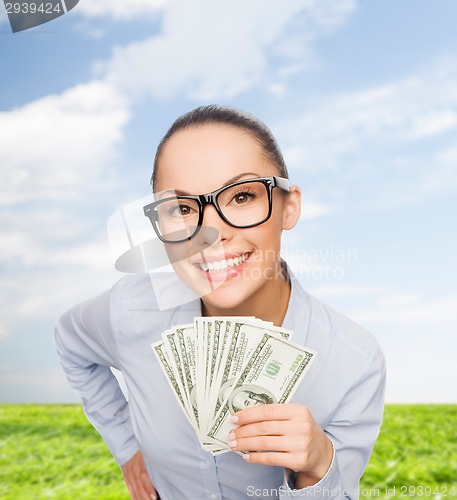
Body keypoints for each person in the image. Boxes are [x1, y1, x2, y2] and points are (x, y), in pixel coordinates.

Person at [54, 105, 386, 500]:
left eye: (242, 196)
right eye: (181, 208)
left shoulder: (355, 362)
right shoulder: (130, 309)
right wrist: (127, 446)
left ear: (289, 206)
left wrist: (317, 467)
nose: (210, 233)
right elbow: (70, 342)